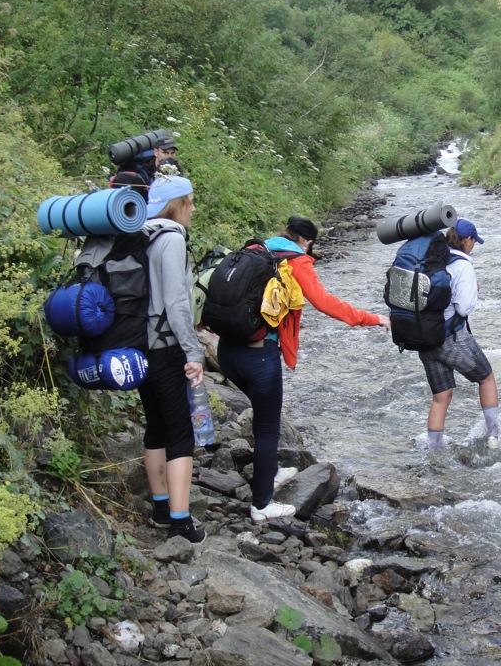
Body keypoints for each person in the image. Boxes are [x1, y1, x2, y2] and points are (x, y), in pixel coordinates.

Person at [215, 216, 391, 525]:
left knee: (261, 414)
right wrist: (372, 318)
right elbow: (324, 303)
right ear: (306, 241)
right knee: (268, 427)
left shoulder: (257, 250)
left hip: (227, 352)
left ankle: (268, 472)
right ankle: (261, 505)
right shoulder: (296, 261)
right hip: (260, 357)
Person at [139, 175, 206, 543]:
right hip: (164, 347)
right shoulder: (171, 239)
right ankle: (181, 523)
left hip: (136, 346)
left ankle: (161, 509)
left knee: (155, 428)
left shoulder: (139, 235)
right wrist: (193, 351)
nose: (192, 209)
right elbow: (177, 303)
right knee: (180, 434)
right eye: (189, 202)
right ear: (175, 205)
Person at [418, 218, 501, 450]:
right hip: (450, 337)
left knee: (440, 397)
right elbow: (463, 308)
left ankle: (433, 451)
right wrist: (474, 292)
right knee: (486, 379)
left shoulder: (432, 258)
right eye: (474, 241)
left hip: (424, 338)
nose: (474, 245)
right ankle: (494, 438)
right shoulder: (463, 265)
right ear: (468, 240)